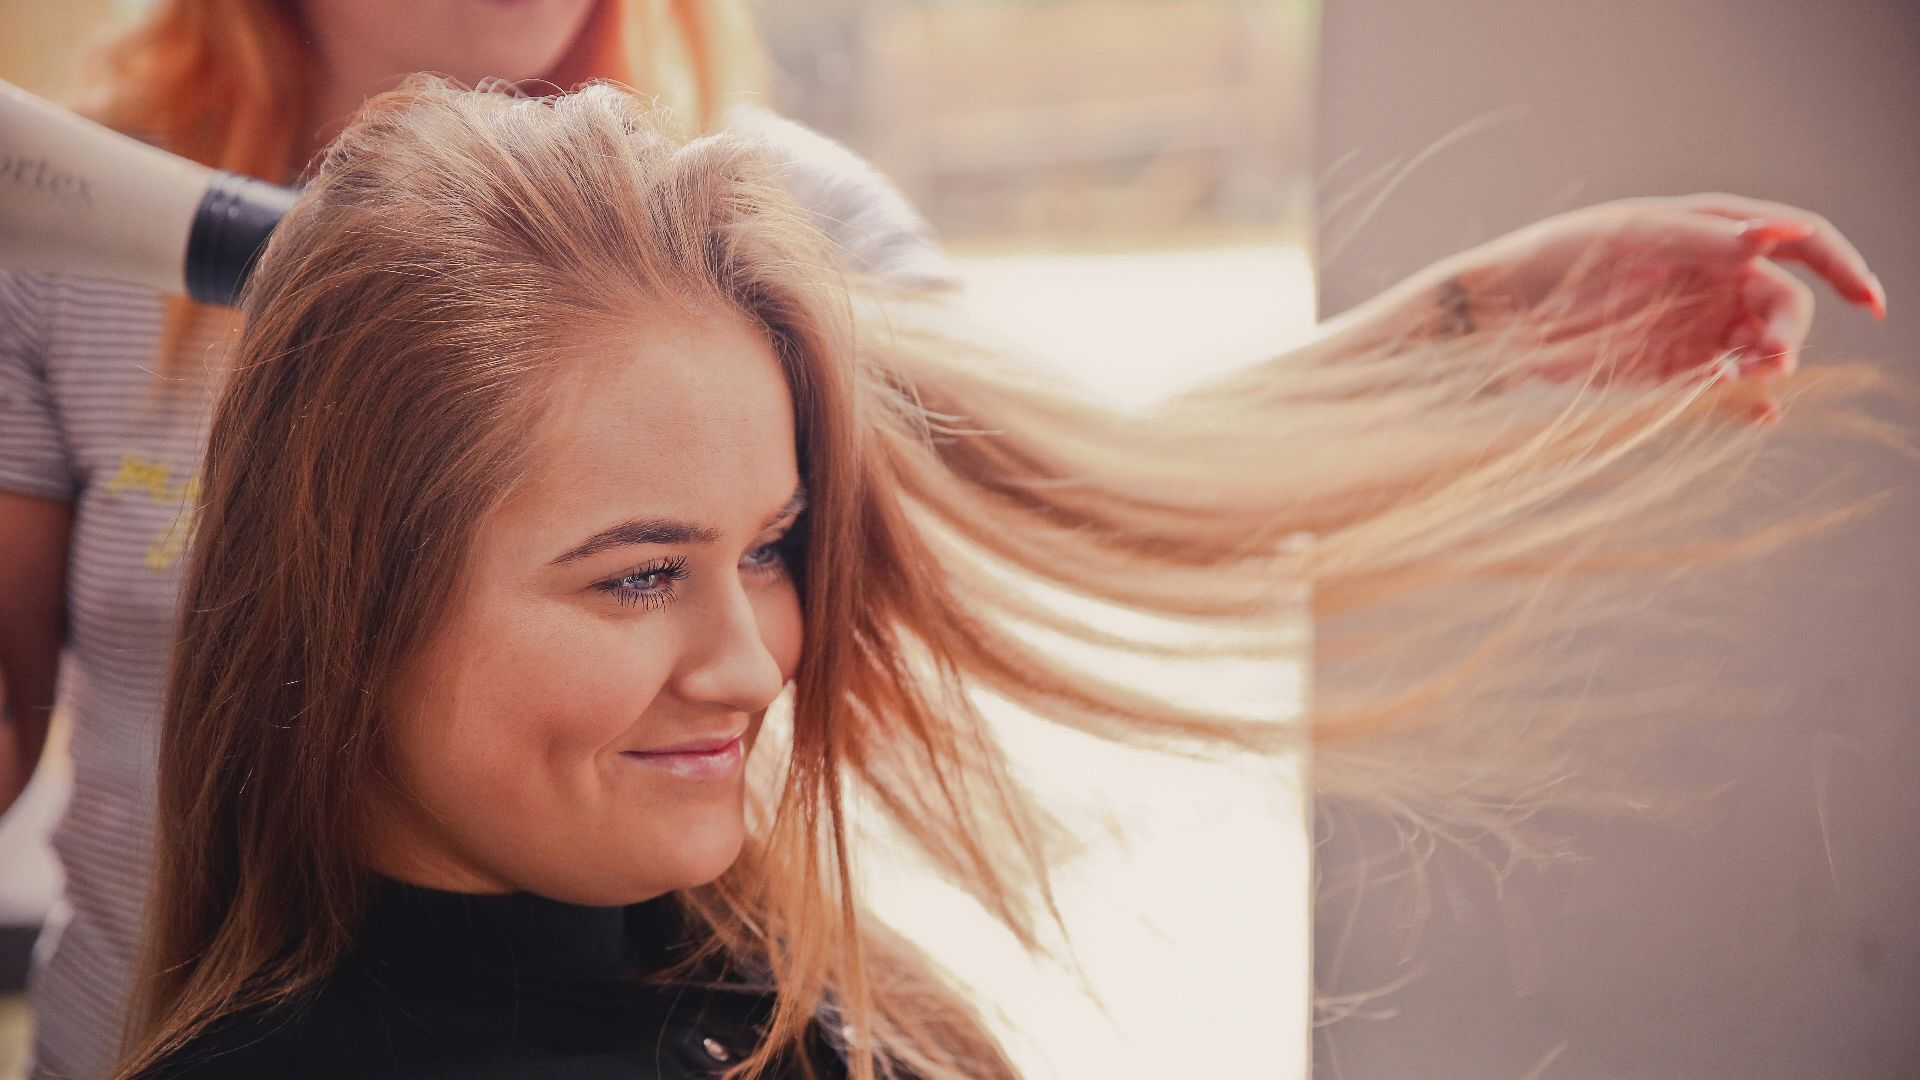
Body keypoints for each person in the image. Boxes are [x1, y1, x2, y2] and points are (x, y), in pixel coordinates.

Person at [0, 5, 1889, 1080]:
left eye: (778, 546)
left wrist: (1471, 336)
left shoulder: (743, 221)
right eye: (637, 566)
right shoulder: (58, 254)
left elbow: (1070, 477)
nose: (754, 650)